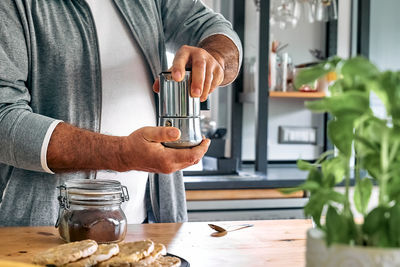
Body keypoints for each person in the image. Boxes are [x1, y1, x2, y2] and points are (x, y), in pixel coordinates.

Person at [0, 0, 242, 226]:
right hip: (41, 232)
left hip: (148, 224)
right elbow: (4, 118)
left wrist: (215, 60)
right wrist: (122, 154)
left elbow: (216, 28)